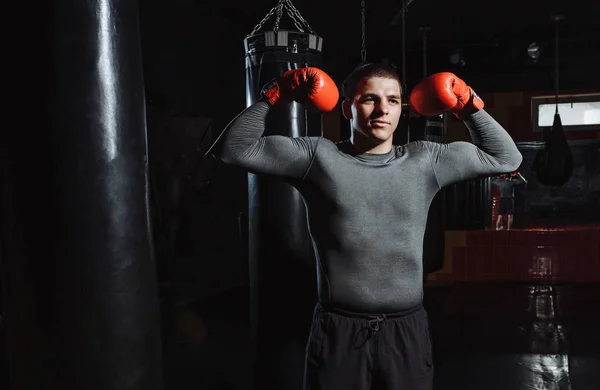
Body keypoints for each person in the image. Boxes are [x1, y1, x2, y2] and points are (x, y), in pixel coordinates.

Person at [218, 64, 522, 389]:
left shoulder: (425, 161)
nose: (382, 110)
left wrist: (467, 103)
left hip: (406, 332)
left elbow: (506, 158)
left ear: (401, 110)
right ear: (348, 107)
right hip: (339, 333)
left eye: (392, 101)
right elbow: (234, 149)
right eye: (369, 99)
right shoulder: (318, 158)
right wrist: (274, 94)